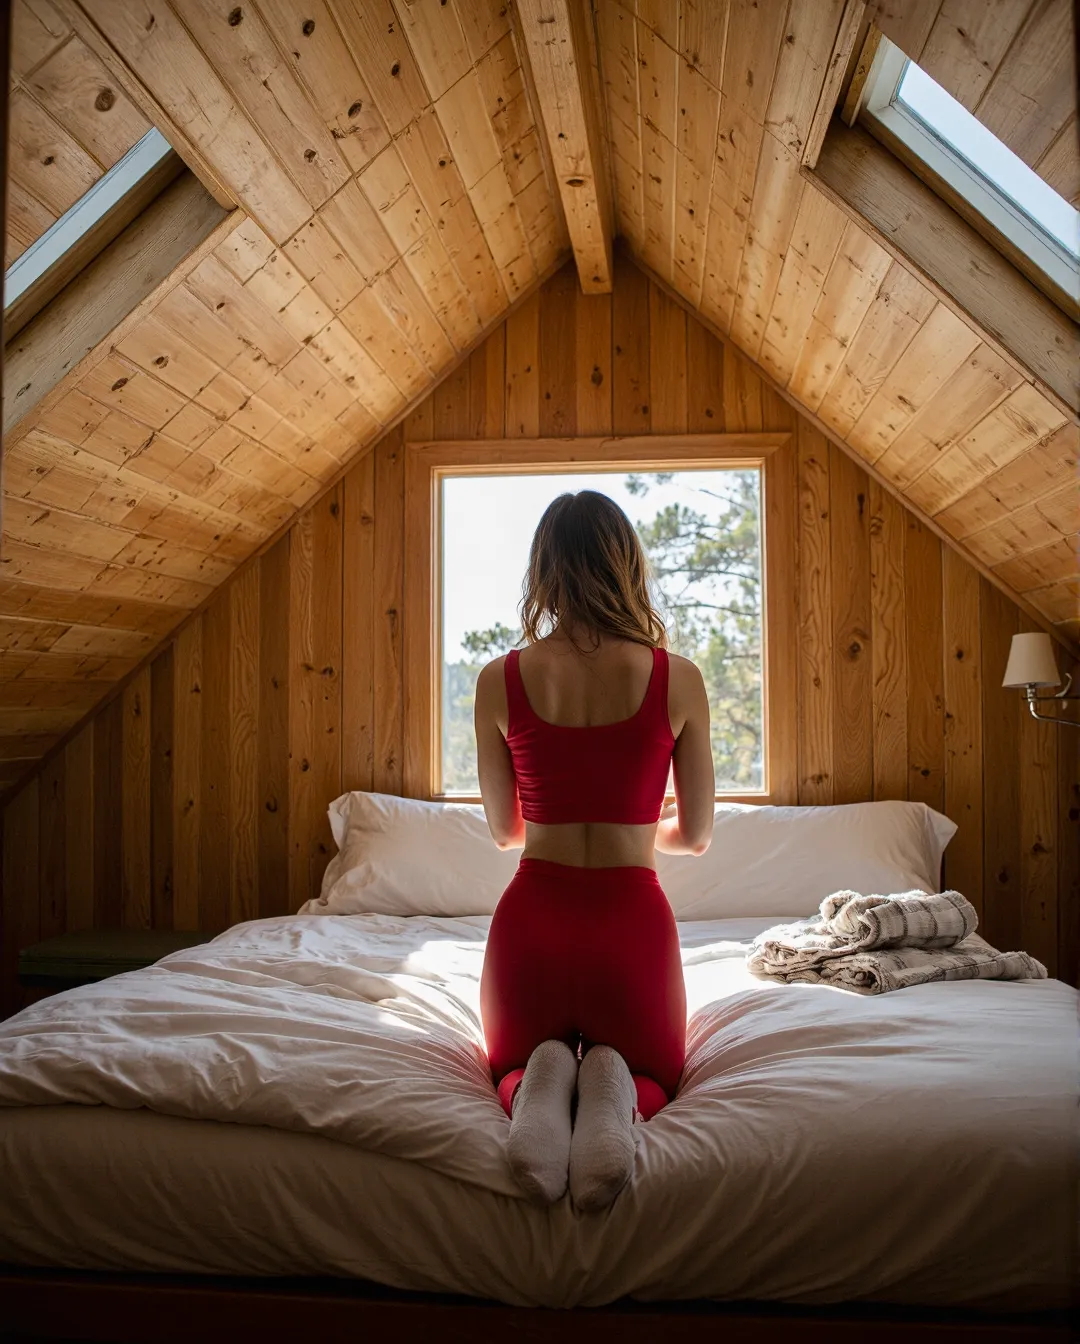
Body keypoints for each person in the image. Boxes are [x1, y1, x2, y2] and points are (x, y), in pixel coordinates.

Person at [474, 490, 714, 1212]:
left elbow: (506, 831)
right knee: (657, 1077)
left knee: (508, 1069)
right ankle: (618, 1090)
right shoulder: (677, 677)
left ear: (543, 570)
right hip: (630, 926)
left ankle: (536, 1085)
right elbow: (696, 834)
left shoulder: (498, 680)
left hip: (533, 923)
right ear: (626, 566)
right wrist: (645, 826)